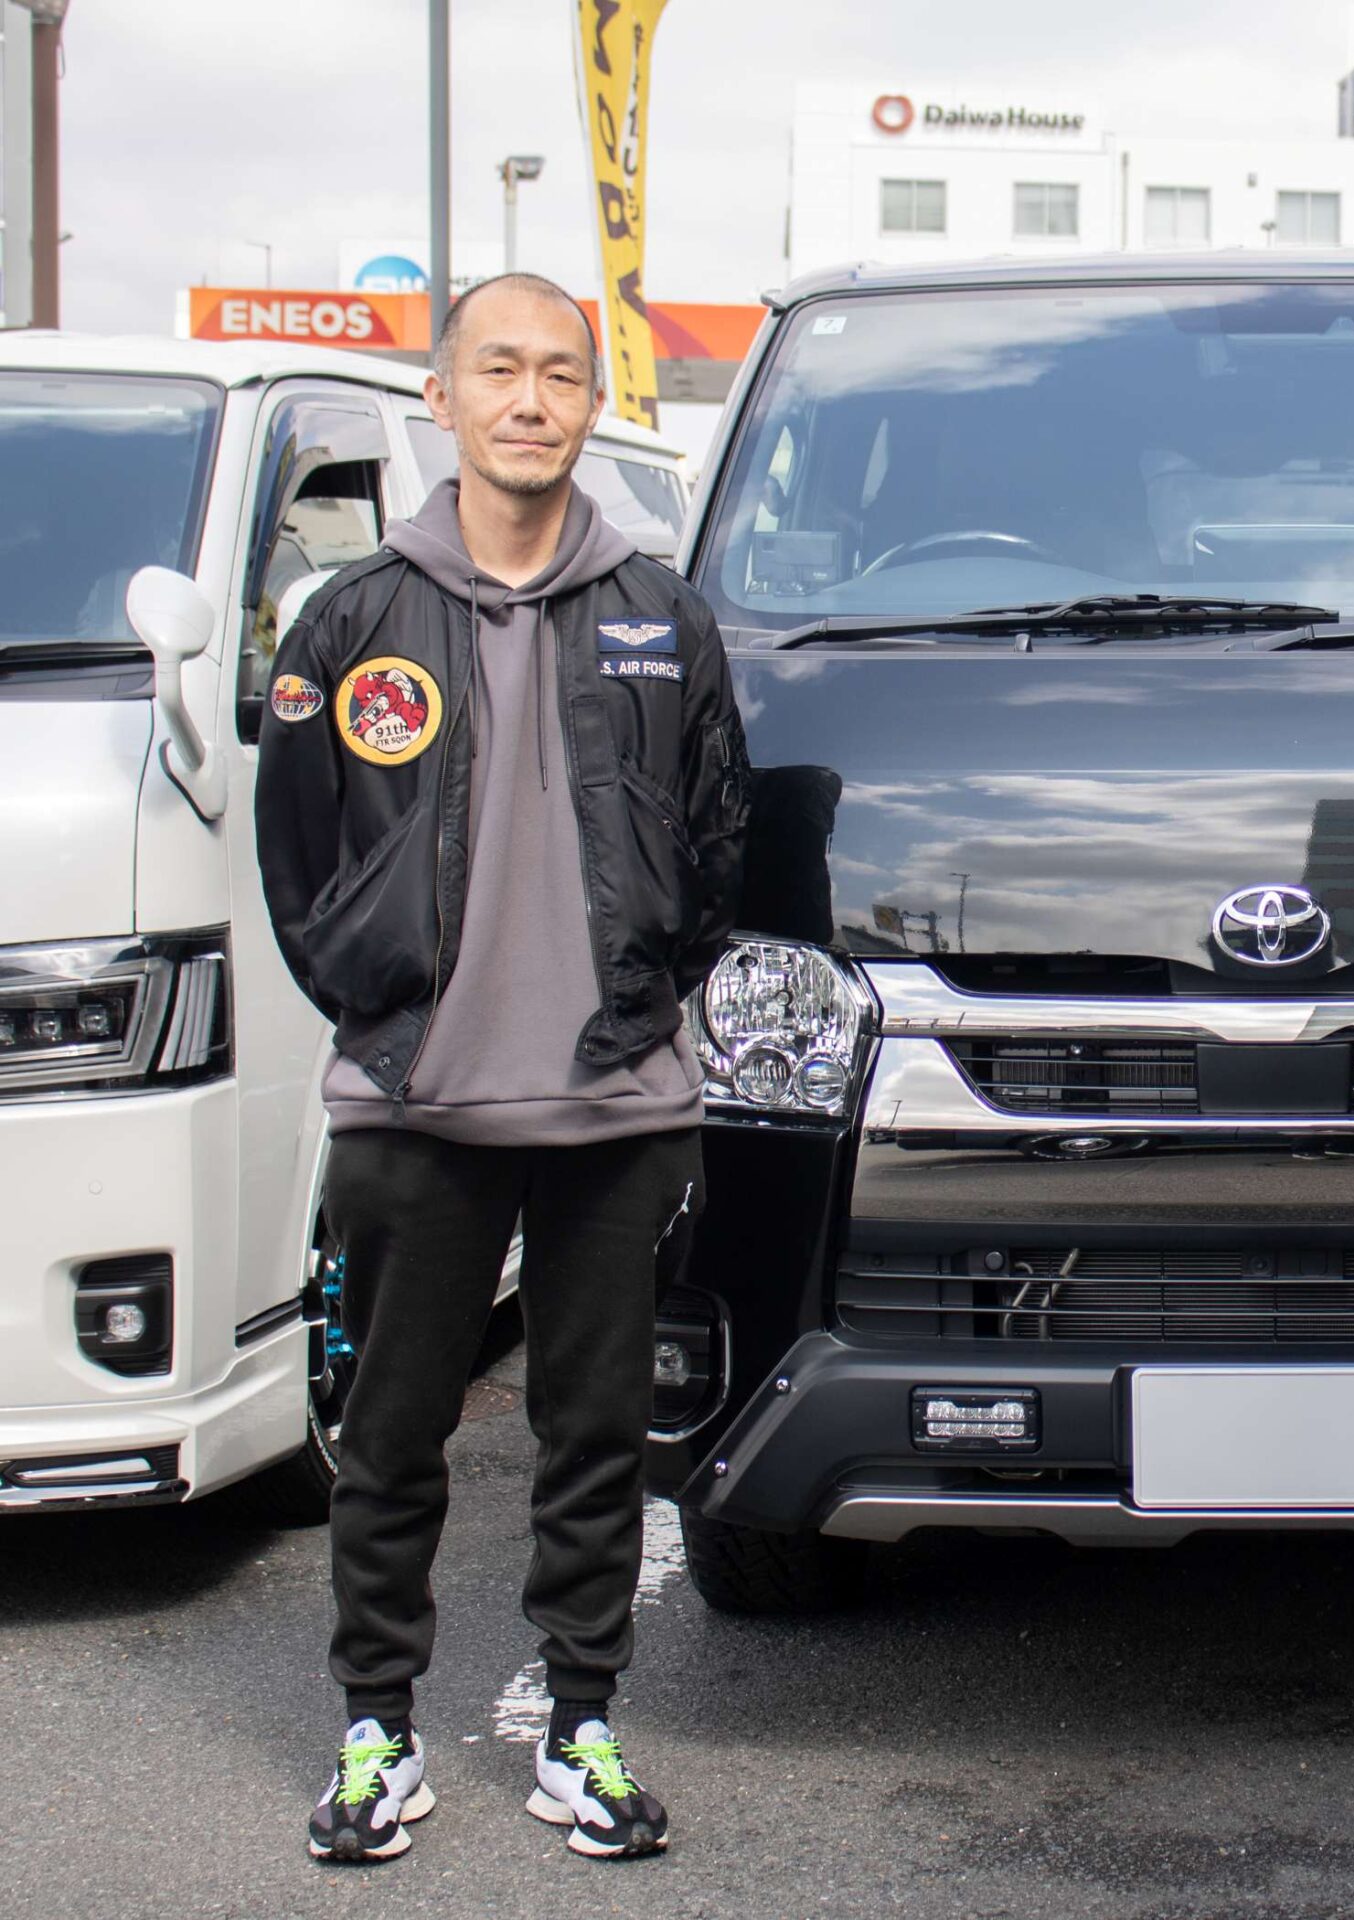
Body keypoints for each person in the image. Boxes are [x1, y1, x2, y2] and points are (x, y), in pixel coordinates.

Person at [255, 272, 748, 1865]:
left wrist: (643, 1003)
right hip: (415, 1103)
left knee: (594, 1440)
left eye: (560, 374)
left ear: (592, 402)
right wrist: (379, 1008)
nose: (531, 401)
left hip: (616, 1106)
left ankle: (580, 1725)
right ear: (444, 396)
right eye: (499, 370)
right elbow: (299, 855)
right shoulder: (352, 619)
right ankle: (376, 1734)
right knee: (390, 1438)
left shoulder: (663, 618)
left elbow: (719, 841)